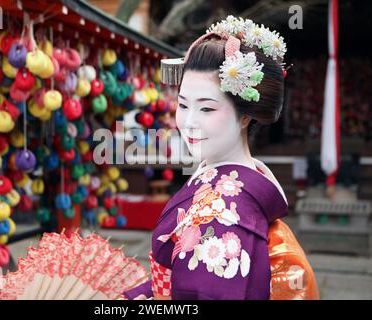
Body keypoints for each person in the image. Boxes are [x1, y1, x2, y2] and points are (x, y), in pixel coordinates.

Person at [123, 16, 319, 300]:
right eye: (183, 104)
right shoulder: (229, 184)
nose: (188, 122)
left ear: (245, 116)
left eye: (206, 109)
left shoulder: (225, 213)